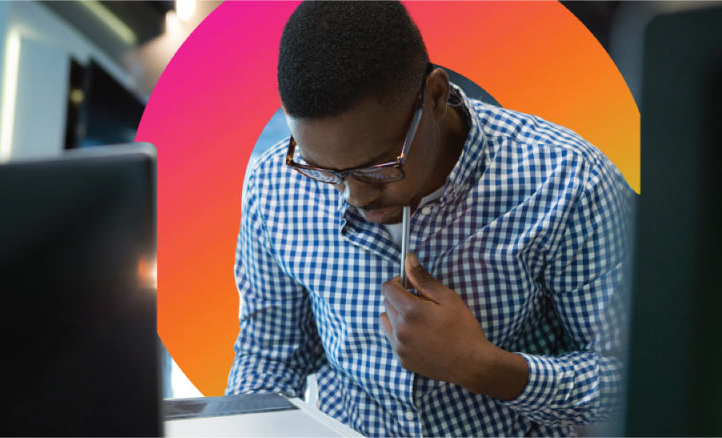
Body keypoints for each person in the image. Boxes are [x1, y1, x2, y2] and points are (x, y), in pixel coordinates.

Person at [226, 2, 635, 436]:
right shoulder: (276, 183)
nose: (354, 194)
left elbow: (633, 386)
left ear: (436, 95)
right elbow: (269, 356)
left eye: (379, 166)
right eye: (322, 168)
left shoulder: (568, 181)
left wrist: (482, 367)